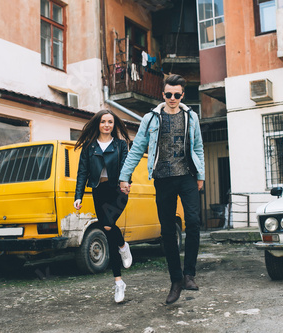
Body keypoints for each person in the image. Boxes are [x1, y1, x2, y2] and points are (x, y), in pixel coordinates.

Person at [119, 74, 205, 305]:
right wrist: (124, 176)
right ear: (163, 94)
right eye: (169, 94)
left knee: (194, 222)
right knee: (167, 230)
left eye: (177, 95)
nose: (173, 98)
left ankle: (189, 275)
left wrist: (201, 175)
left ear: (182, 95)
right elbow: (137, 148)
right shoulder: (151, 118)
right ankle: (175, 280)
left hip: (187, 174)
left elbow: (197, 146)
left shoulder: (191, 116)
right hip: (163, 178)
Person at [73, 109, 133, 304]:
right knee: (108, 231)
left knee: (108, 226)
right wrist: (78, 196)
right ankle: (119, 280)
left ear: (113, 125)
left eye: (110, 122)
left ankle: (123, 248)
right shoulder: (89, 147)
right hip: (98, 191)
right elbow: (82, 172)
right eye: (103, 122)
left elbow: (127, 165)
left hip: (117, 191)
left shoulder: (120, 145)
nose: (107, 125)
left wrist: (126, 181)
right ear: (97, 124)